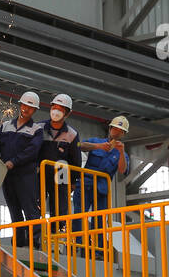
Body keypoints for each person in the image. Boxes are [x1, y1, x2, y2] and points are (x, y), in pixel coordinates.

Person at [0, 91, 44, 248]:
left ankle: (35, 243)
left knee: (30, 210)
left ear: (34, 110)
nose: (26, 109)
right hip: (7, 175)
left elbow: (32, 151)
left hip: (25, 175)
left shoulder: (36, 129)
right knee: (14, 210)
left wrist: (13, 161)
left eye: (30, 107)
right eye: (24, 105)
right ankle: (19, 243)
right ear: (20, 105)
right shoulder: (6, 126)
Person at [75, 115, 131, 249]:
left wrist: (121, 152)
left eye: (120, 130)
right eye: (115, 128)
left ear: (123, 134)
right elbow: (78, 145)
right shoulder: (97, 141)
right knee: (78, 216)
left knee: (100, 221)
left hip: (102, 190)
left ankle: (98, 250)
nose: (117, 132)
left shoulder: (121, 153)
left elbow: (122, 170)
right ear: (110, 128)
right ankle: (76, 245)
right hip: (85, 185)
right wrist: (97, 146)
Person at [36, 93, 80, 239]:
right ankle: (36, 238)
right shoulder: (38, 127)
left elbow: (76, 160)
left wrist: (73, 182)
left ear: (67, 113)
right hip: (39, 176)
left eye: (61, 109)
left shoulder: (72, 134)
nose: (56, 111)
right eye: (54, 107)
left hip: (61, 178)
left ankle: (57, 240)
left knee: (60, 210)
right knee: (35, 207)